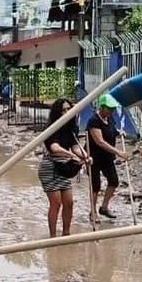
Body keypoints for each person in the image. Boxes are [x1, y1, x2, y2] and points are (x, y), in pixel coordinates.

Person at [38, 98, 88, 238]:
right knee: (56, 203)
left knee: (69, 202)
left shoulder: (72, 129)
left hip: (64, 167)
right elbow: (54, 148)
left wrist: (84, 156)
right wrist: (71, 155)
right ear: (56, 113)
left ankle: (66, 234)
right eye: (63, 110)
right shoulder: (51, 128)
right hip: (50, 167)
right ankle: (53, 237)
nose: (66, 112)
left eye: (68, 109)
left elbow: (75, 147)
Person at [86, 94, 128, 221]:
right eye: (109, 109)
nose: (111, 111)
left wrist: (118, 132)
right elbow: (100, 142)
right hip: (94, 157)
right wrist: (119, 152)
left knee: (114, 181)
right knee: (96, 185)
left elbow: (111, 130)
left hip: (107, 158)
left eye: (113, 109)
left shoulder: (109, 118)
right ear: (102, 107)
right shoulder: (94, 121)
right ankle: (92, 212)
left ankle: (104, 207)